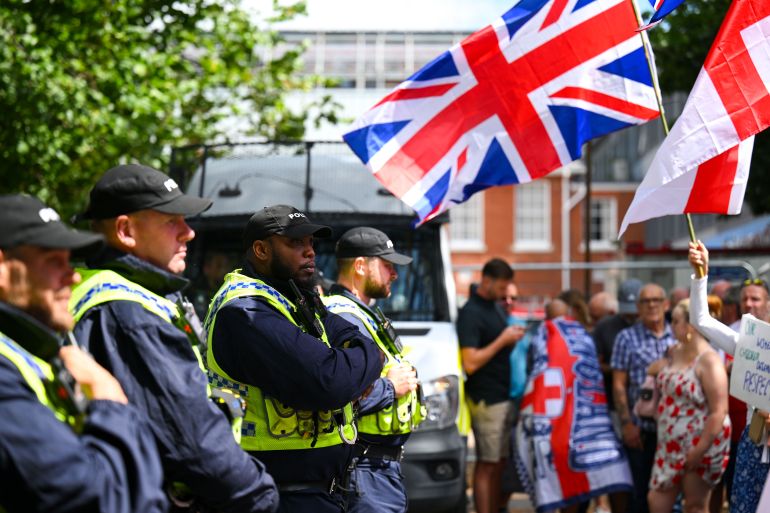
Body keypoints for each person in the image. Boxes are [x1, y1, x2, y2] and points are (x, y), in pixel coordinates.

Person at [70, 164, 278, 513]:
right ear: (125, 230)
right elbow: (193, 440)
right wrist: (260, 495)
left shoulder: (110, 288)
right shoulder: (127, 312)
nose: (189, 233)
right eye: (172, 221)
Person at [204, 205, 384, 512]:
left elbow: (357, 340)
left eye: (311, 243)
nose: (309, 252)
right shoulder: (246, 310)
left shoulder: (292, 298)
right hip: (278, 494)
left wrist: (361, 355)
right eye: (295, 243)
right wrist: (366, 359)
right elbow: (331, 381)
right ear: (260, 249)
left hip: (317, 491)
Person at [0, 194, 166, 513]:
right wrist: (110, 401)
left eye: (69, 260)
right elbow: (97, 499)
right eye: (53, 261)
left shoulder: (25, 352)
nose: (73, 275)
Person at [322, 226, 424, 513]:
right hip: (363, 467)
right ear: (360, 266)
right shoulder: (344, 316)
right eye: (387, 265)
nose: (394, 274)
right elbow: (338, 391)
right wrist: (391, 387)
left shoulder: (362, 314)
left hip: (377, 467)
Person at [688, 241, 770, 513]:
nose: (749, 303)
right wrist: (701, 275)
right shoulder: (751, 341)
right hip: (754, 444)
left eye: (756, 298)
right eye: (744, 298)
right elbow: (701, 319)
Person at [645, 299, 731, 513]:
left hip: (698, 445)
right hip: (668, 445)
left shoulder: (709, 361)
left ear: (691, 325)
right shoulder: (674, 351)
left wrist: (699, 450)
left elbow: (719, 410)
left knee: (694, 506)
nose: (671, 326)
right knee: (656, 501)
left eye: (675, 321)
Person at [458, 258, 524, 513]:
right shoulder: (471, 312)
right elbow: (470, 362)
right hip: (486, 400)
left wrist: (510, 340)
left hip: (500, 396)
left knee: (498, 463)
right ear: (487, 281)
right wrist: (503, 339)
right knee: (487, 464)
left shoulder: (493, 307)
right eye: (502, 286)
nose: (505, 292)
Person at [611, 283, 675, 513]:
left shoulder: (678, 336)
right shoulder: (626, 338)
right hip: (640, 431)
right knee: (638, 497)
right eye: (645, 301)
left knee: (668, 496)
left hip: (672, 430)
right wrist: (627, 424)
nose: (651, 305)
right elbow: (619, 384)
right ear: (637, 307)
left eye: (656, 300)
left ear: (666, 304)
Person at [594, 278, 643, 429]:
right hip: (614, 405)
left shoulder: (652, 324)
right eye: (628, 313)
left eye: (635, 313)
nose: (632, 317)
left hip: (646, 405)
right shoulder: (606, 326)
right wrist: (618, 370)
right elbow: (596, 363)